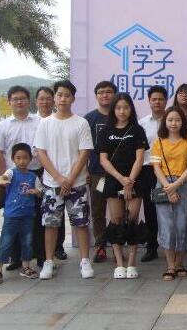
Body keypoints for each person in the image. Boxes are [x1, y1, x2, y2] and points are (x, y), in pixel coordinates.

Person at [34, 80, 94, 280]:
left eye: (67, 95)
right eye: (59, 95)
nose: (63, 99)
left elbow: (84, 153)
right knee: (50, 224)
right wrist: (59, 178)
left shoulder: (81, 123)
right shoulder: (45, 123)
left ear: (73, 98)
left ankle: (85, 260)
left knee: (81, 223)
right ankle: (48, 261)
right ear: (54, 97)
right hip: (52, 184)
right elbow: (41, 153)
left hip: (77, 183)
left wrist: (70, 179)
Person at [0, 86, 43, 271]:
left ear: (29, 101)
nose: (19, 102)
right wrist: (3, 176)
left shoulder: (40, 122)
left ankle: (38, 255)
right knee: (13, 218)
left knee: (36, 216)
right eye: (15, 99)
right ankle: (15, 258)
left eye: (23, 98)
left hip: (36, 173)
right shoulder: (2, 126)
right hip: (12, 177)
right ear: (9, 102)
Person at [97, 93, 149, 279]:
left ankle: (132, 263)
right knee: (116, 220)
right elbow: (103, 160)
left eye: (125, 107)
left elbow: (140, 158)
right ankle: (119, 264)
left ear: (131, 109)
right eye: (118, 108)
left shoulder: (137, 130)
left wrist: (129, 181)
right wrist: (121, 179)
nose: (122, 111)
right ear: (113, 110)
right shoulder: (105, 131)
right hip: (114, 180)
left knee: (132, 219)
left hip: (135, 180)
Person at [151, 106, 187, 281]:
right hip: (163, 185)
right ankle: (170, 266)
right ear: (165, 122)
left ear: (183, 122)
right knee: (167, 226)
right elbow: (156, 168)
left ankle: (179, 263)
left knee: (182, 225)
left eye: (177, 120)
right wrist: (168, 187)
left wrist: (176, 185)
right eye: (170, 120)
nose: (173, 123)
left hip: (183, 185)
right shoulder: (159, 142)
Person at [0, 143, 42, 285]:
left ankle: (26, 266)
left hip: (28, 215)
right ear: (13, 159)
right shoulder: (11, 172)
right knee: (6, 242)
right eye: (18, 158)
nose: (22, 161)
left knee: (27, 241)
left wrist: (36, 191)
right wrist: (3, 181)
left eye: (25, 158)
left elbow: (40, 190)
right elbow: (3, 178)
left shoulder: (33, 176)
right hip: (11, 215)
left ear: (30, 159)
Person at [32, 86, 67, 264]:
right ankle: (38, 250)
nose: (45, 102)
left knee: (57, 210)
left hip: (56, 171)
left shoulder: (60, 120)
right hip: (33, 170)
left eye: (48, 98)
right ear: (36, 101)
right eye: (41, 98)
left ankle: (58, 247)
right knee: (39, 213)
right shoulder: (32, 121)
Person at [84, 80, 116, 264]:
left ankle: (119, 244)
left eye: (109, 91)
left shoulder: (121, 115)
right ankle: (100, 246)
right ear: (96, 96)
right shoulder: (89, 119)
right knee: (98, 210)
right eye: (101, 92)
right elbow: (83, 149)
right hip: (98, 173)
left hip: (119, 174)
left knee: (120, 211)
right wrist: (85, 171)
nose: (105, 95)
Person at [138, 85, 168, 262]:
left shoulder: (172, 120)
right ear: (149, 101)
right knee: (150, 209)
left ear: (166, 101)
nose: (157, 102)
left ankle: (170, 245)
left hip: (168, 170)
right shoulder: (141, 123)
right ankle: (151, 247)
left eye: (160, 99)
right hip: (148, 170)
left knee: (167, 208)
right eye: (154, 99)